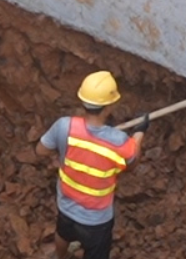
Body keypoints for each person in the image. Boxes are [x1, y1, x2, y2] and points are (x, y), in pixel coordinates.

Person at [36, 71, 150, 259]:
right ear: (109, 107)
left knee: (63, 233)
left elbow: (40, 151)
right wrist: (139, 134)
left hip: (66, 203)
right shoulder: (119, 142)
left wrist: (62, 153)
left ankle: (60, 256)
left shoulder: (64, 126)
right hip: (96, 219)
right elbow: (132, 164)